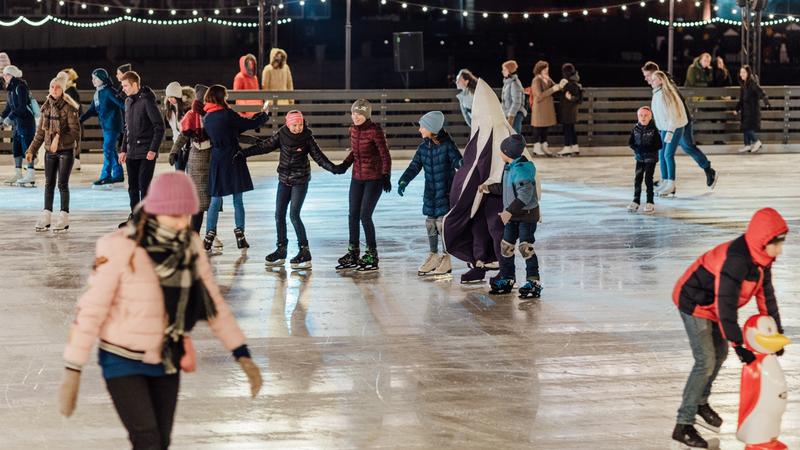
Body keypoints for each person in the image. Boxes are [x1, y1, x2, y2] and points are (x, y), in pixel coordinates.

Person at [57, 171, 263, 450]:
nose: (182, 223)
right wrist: (73, 368)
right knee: (148, 441)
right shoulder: (119, 247)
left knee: (160, 442)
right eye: (174, 216)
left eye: (186, 215)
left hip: (166, 356)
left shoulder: (190, 247)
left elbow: (213, 305)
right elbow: (91, 310)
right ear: (156, 211)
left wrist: (242, 354)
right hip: (122, 358)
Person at [671, 208, 788, 449]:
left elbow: (767, 297)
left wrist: (777, 334)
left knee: (718, 355)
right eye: (777, 244)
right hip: (694, 302)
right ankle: (683, 425)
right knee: (706, 360)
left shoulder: (762, 261)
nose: (780, 249)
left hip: (712, 305)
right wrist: (738, 344)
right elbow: (726, 305)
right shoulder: (737, 261)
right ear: (763, 241)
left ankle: (701, 401)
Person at [241, 110, 344, 269]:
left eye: (300, 124)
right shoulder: (282, 134)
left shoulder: (307, 138)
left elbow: (319, 157)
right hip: (284, 180)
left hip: (300, 180)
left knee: (294, 215)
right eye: (294, 125)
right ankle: (281, 249)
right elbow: (264, 146)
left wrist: (334, 168)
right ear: (288, 125)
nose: (297, 128)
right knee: (279, 214)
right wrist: (244, 153)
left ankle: (305, 251)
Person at [202, 85, 269, 252]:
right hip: (233, 157)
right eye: (225, 96)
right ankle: (240, 235)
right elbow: (246, 124)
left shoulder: (207, 117)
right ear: (220, 97)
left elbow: (233, 128)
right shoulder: (227, 114)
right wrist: (263, 115)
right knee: (237, 200)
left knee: (215, 200)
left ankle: (209, 235)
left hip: (217, 158)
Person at [398, 111, 463, 277]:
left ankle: (446, 258)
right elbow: (414, 166)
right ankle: (433, 255)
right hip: (430, 193)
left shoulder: (447, 145)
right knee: (430, 223)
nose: (420, 130)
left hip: (446, 192)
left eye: (422, 126)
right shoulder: (423, 148)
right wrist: (404, 180)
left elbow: (458, 162)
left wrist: (463, 162)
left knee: (442, 224)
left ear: (431, 128)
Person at [480, 134, 542, 299]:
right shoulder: (510, 168)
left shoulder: (522, 170)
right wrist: (488, 188)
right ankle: (508, 278)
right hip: (514, 217)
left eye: (501, 150)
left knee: (525, 248)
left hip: (526, 216)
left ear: (507, 152)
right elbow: (505, 189)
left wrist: (508, 211)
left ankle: (533, 281)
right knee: (506, 247)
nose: (500, 153)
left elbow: (525, 196)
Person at [642, 63, 718, 194]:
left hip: (680, 121)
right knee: (664, 152)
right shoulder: (658, 86)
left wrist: (677, 124)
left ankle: (708, 170)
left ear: (656, 74)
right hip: (670, 123)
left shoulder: (667, 85)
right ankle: (666, 180)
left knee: (686, 147)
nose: (647, 79)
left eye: (648, 76)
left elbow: (677, 105)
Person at [335, 99, 392, 272]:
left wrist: (386, 175)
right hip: (357, 177)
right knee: (352, 215)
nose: (356, 116)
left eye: (360, 114)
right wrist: (345, 165)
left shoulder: (375, 130)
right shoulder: (352, 129)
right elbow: (355, 151)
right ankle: (353, 252)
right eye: (354, 113)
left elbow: (385, 154)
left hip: (374, 179)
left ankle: (372, 254)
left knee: (364, 216)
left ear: (366, 115)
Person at [168, 84, 222, 251]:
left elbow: (225, 135)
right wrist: (174, 151)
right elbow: (183, 136)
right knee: (198, 203)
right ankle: (194, 235)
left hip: (213, 160)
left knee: (213, 201)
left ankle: (211, 233)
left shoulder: (215, 115)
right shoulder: (192, 116)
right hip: (197, 161)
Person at [26, 76, 80, 232]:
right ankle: (46, 215)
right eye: (51, 86)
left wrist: (59, 138)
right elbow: (40, 133)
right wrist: (31, 150)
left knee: (62, 184)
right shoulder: (46, 108)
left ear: (62, 89)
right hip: (50, 152)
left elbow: (75, 133)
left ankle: (64, 217)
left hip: (65, 151)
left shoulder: (70, 108)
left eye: (57, 87)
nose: (54, 89)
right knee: (48, 184)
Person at [119, 71, 166, 227]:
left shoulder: (147, 101)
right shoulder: (128, 102)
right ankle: (135, 216)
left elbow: (159, 126)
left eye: (125, 85)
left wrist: (153, 149)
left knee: (144, 187)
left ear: (134, 84)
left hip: (146, 153)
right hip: (132, 152)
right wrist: (123, 149)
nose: (123, 88)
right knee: (132, 187)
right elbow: (127, 128)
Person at [81, 68, 126, 187]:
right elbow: (92, 110)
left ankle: (105, 176)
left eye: (96, 78)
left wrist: (132, 116)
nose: (93, 81)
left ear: (102, 79)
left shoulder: (108, 91)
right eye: (92, 78)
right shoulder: (98, 92)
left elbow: (122, 104)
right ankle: (118, 174)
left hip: (113, 126)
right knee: (111, 150)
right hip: (106, 126)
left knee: (107, 149)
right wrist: (79, 120)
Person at [1, 65, 37, 186]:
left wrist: (10, 118)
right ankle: (18, 172)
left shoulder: (20, 87)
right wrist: (1, 118)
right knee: (16, 148)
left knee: (27, 148)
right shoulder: (11, 89)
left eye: (6, 74)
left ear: (12, 75)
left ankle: (31, 173)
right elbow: (8, 108)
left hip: (26, 122)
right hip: (17, 124)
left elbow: (21, 107)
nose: (4, 76)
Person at [627, 106, 661, 214]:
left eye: (646, 115)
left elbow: (659, 145)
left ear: (650, 117)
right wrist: (637, 149)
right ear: (637, 117)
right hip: (639, 158)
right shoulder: (635, 128)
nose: (643, 117)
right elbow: (630, 142)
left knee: (648, 179)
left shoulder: (654, 130)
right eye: (641, 115)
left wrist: (647, 149)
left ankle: (650, 202)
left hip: (650, 159)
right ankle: (636, 200)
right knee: (638, 178)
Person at [530, 60, 566, 156]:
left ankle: (544, 146)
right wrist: (553, 89)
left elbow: (555, 87)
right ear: (539, 70)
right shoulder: (536, 80)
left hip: (547, 108)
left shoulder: (547, 78)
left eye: (547, 68)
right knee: (538, 128)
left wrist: (561, 85)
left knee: (545, 128)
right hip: (539, 108)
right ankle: (536, 148)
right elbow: (539, 95)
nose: (547, 70)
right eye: (544, 69)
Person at [735, 65, 770, 154]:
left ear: (748, 73)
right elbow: (741, 99)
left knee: (747, 127)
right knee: (745, 127)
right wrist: (737, 109)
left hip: (752, 111)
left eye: (743, 72)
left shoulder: (752, 83)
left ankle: (757, 141)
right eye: (740, 72)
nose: (741, 74)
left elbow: (761, 92)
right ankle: (747, 145)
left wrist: (766, 101)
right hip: (745, 111)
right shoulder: (743, 84)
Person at [163, 81, 195, 171]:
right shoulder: (170, 110)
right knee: (179, 172)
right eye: (168, 97)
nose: (170, 99)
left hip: (189, 145)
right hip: (177, 145)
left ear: (178, 96)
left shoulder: (187, 109)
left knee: (190, 172)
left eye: (172, 96)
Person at [557, 63, 582, 156]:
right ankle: (575, 146)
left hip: (568, 110)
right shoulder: (574, 81)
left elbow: (576, 97)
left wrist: (569, 97)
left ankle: (567, 146)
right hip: (571, 110)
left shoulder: (570, 83)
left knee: (567, 128)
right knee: (571, 128)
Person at [61, 68, 83, 171]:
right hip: (70, 120)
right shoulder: (67, 90)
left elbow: (75, 106)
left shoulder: (71, 90)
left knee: (73, 140)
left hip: (73, 120)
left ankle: (75, 161)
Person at [500, 60, 526, 134]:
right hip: (509, 114)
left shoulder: (514, 83)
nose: (502, 71)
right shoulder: (508, 83)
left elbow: (517, 102)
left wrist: (511, 116)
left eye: (504, 69)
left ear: (509, 71)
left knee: (515, 136)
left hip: (515, 115)